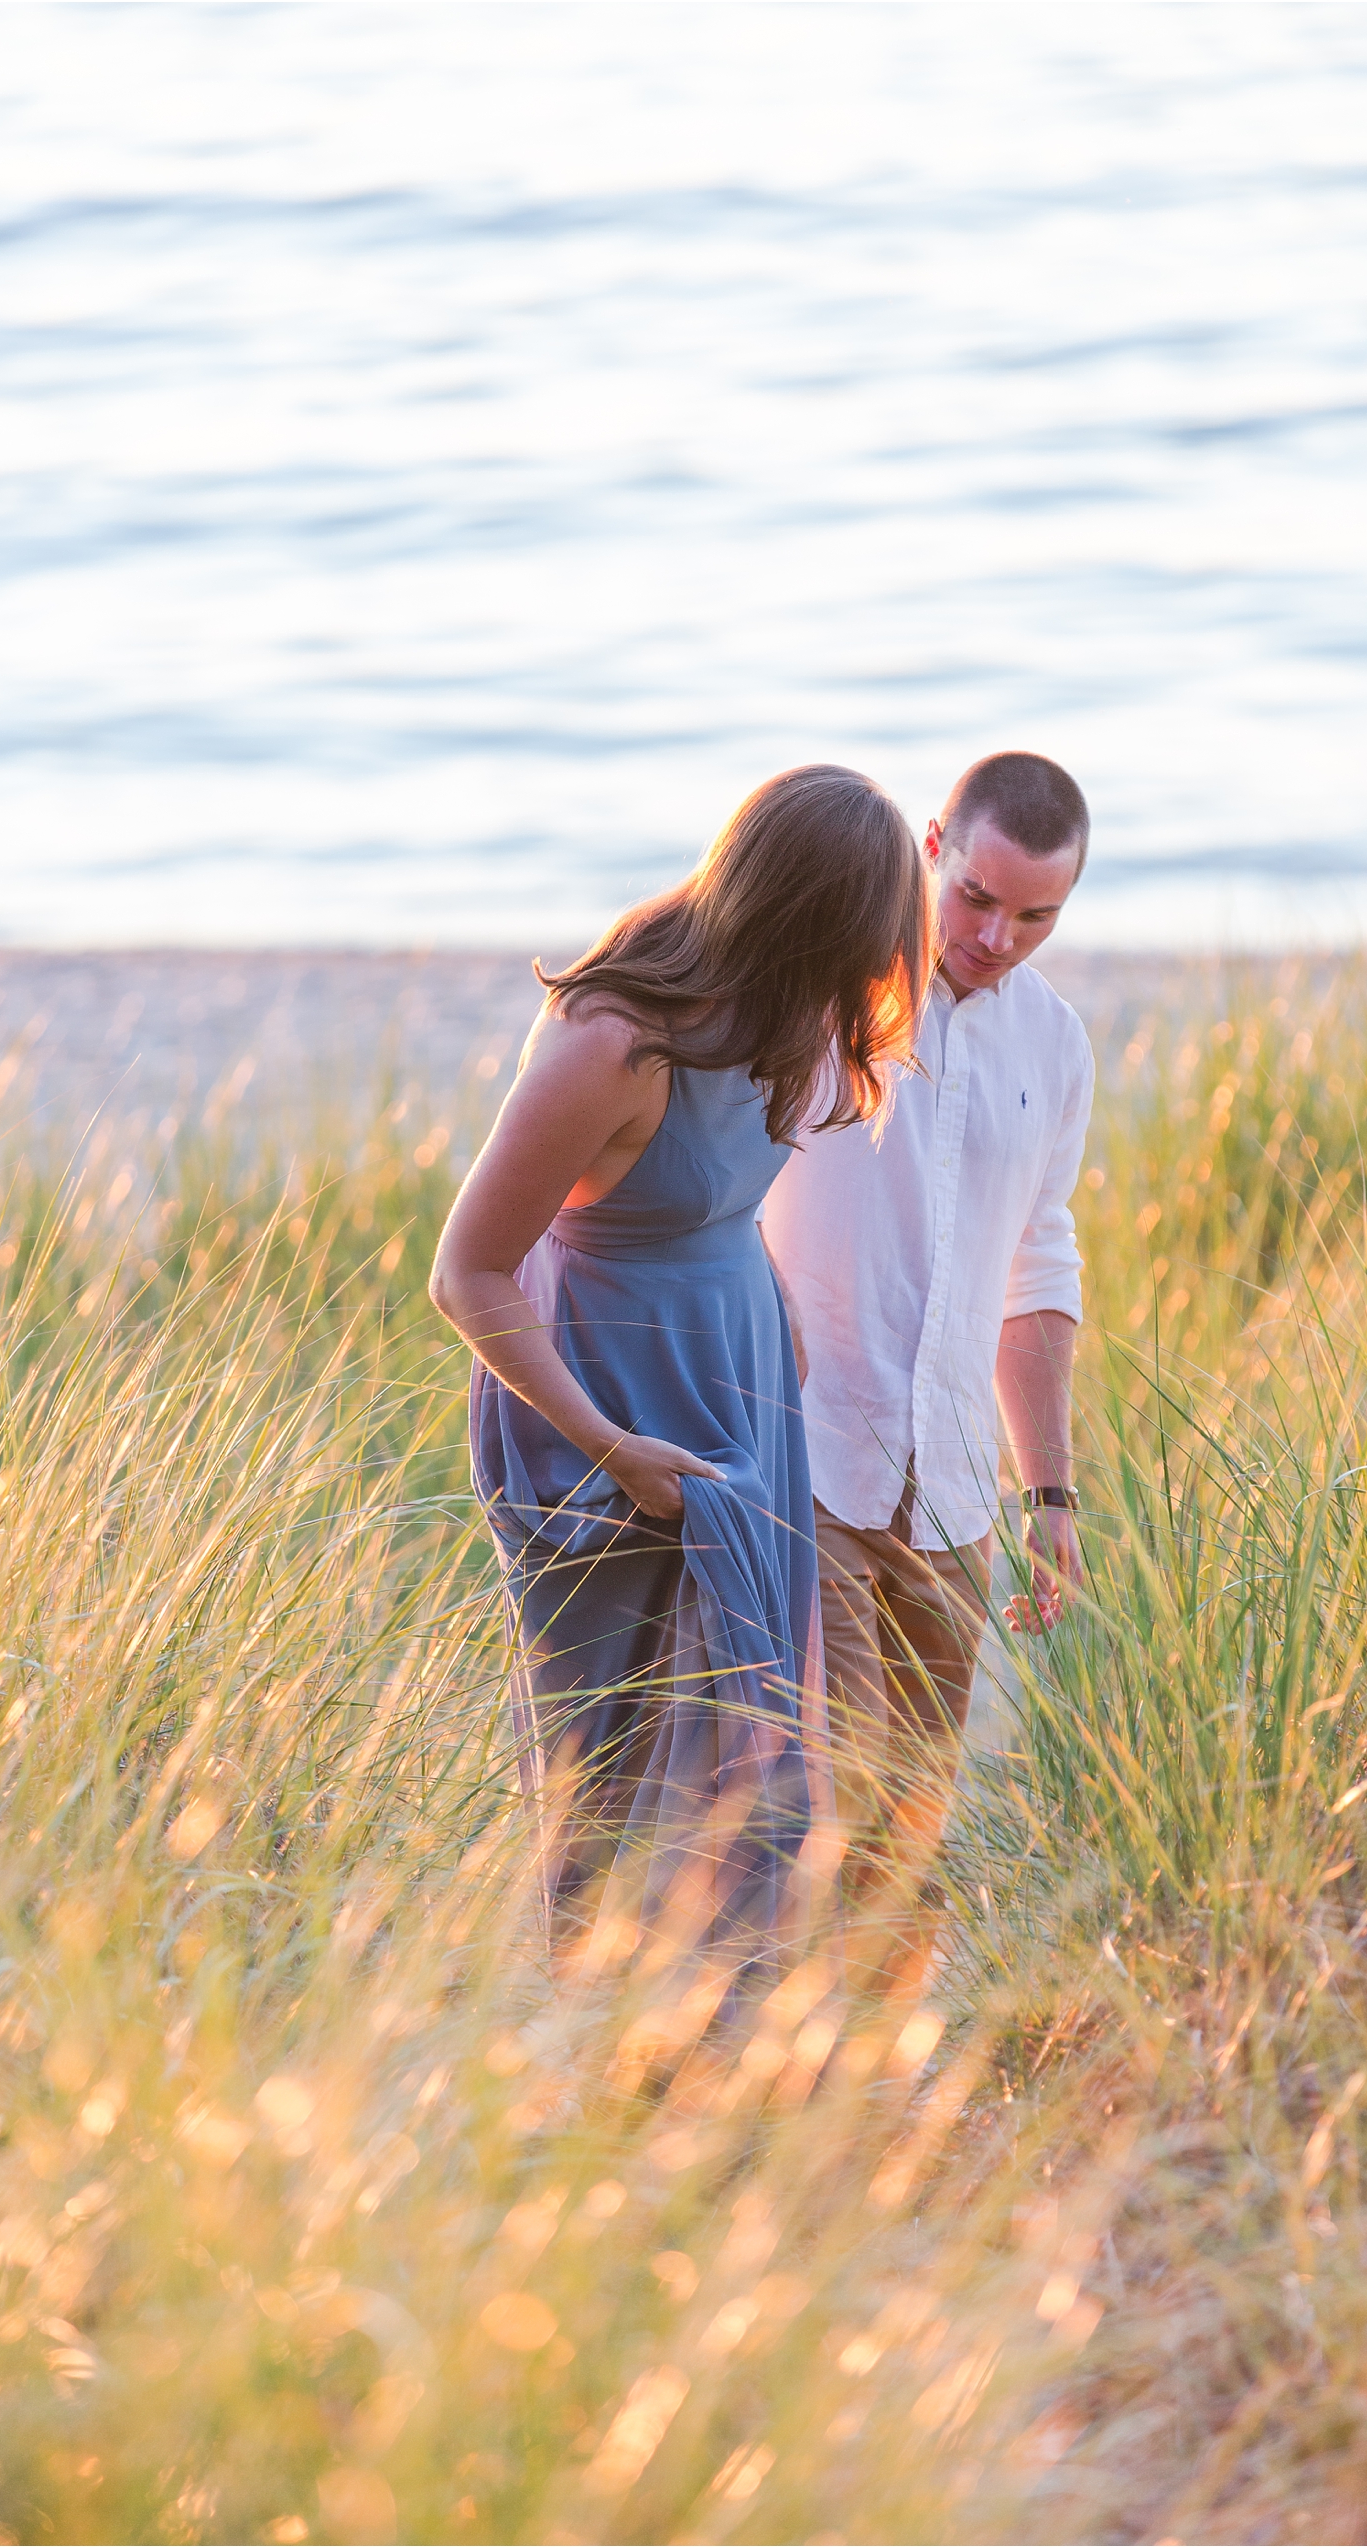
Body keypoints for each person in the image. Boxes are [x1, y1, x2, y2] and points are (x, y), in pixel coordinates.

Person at [429, 766, 929, 1986]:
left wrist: (769, 1306)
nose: (866, 981)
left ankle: (729, 2026)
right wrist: (609, 1445)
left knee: (748, 1723)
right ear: (799, 921)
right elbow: (468, 1273)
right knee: (606, 1743)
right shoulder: (618, 1042)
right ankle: (592, 2028)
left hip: (738, 1379)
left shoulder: (787, 1007)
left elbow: (717, 1192)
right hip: (597, 1396)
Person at [759, 748, 1094, 1993]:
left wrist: (1046, 1491)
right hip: (808, 1458)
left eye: (1034, 915)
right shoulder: (824, 984)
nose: (996, 934)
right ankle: (790, 2083)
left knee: (915, 1819)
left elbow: (1037, 1267)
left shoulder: (1054, 1046)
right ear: (934, 842)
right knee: (825, 1798)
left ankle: (880, 2100)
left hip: (952, 1493)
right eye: (977, 898)